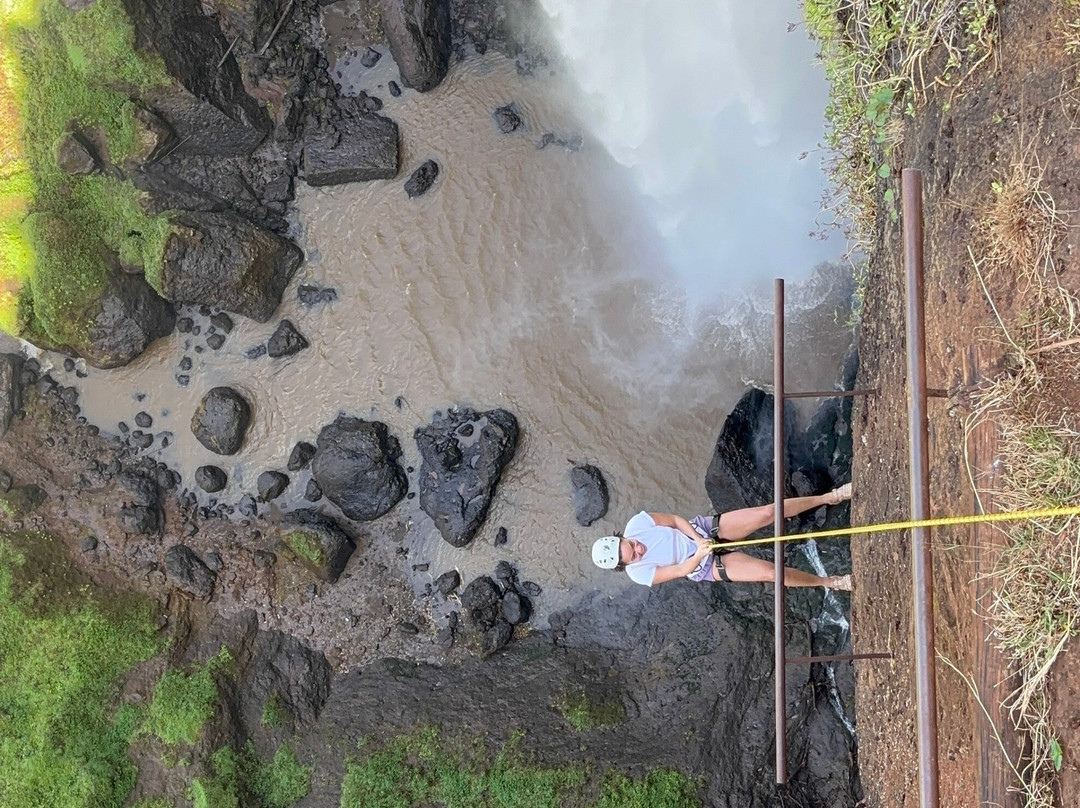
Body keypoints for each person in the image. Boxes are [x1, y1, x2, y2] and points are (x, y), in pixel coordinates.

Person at [590, 484, 852, 589]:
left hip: (703, 531)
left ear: (623, 537)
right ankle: (829, 582)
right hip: (704, 566)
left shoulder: (638, 522)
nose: (638, 550)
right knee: (769, 573)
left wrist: (697, 539)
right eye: (633, 556)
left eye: (631, 544)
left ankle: (830, 497)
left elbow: (675, 521)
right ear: (625, 566)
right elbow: (681, 570)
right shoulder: (639, 574)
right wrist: (701, 553)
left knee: (766, 513)